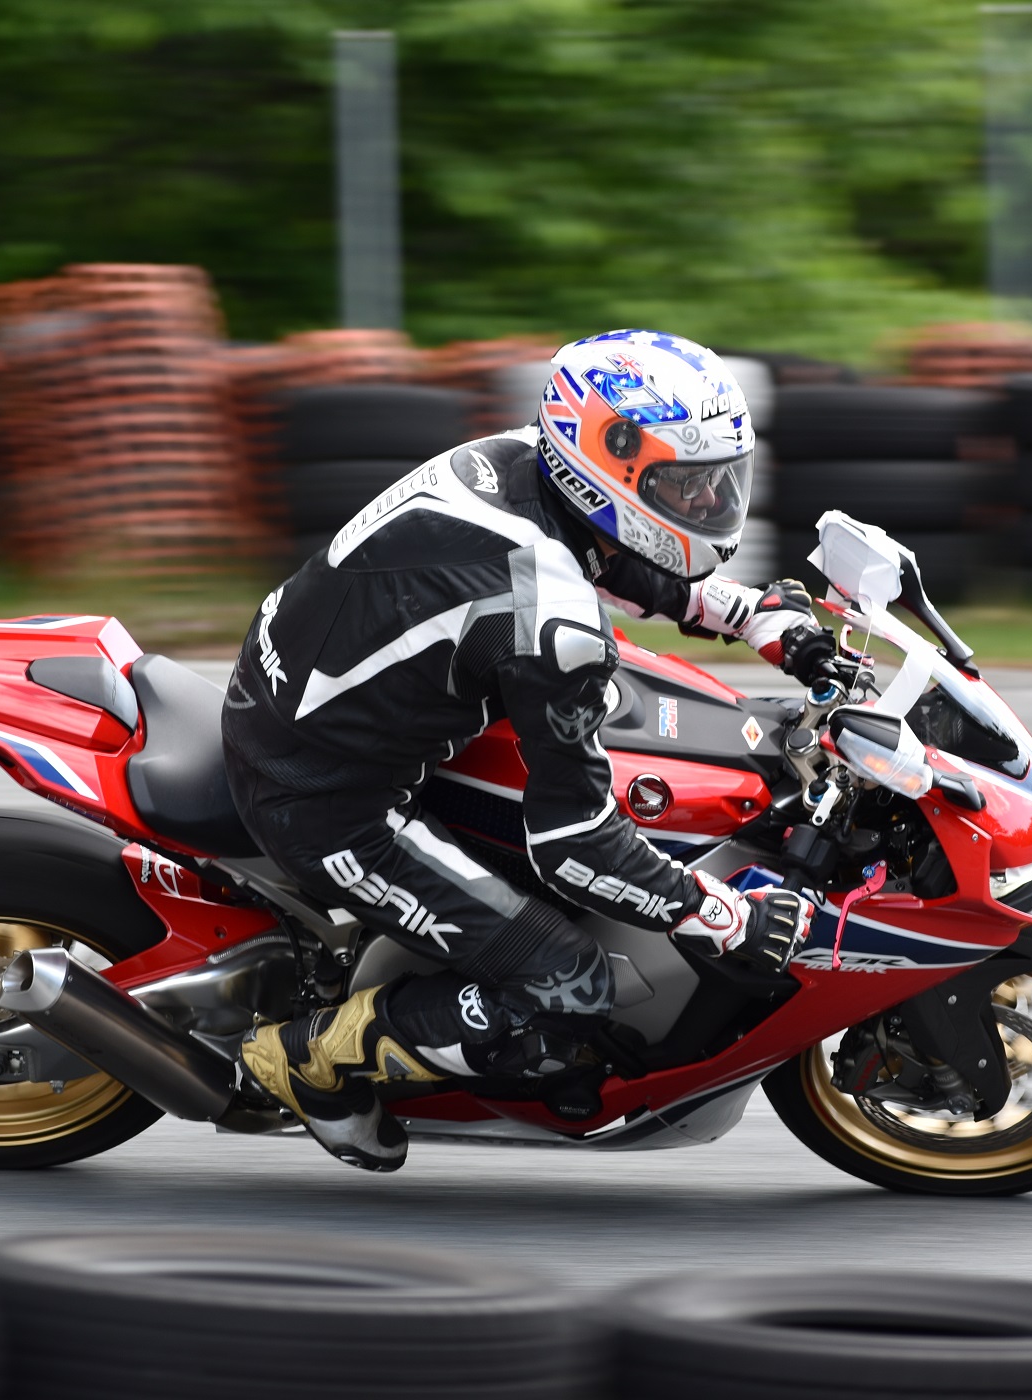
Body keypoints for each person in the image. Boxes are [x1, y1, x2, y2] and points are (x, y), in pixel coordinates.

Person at [223, 329, 837, 1171]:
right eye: (685, 485)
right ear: (608, 463)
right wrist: (720, 914)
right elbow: (575, 843)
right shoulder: (551, 617)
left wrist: (747, 613)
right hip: (323, 794)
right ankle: (310, 1060)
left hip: (299, 685)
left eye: (720, 480)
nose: (709, 502)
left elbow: (606, 549)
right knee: (570, 984)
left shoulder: (519, 459)